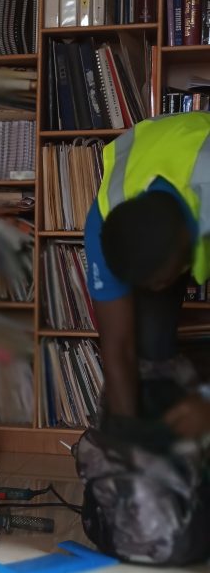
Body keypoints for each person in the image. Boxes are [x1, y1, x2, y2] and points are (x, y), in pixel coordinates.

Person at [84, 111, 210, 439]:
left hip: (198, 165)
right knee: (151, 351)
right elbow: (118, 345)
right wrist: (129, 442)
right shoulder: (103, 223)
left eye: (160, 282)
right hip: (166, 169)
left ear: (186, 242)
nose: (153, 291)